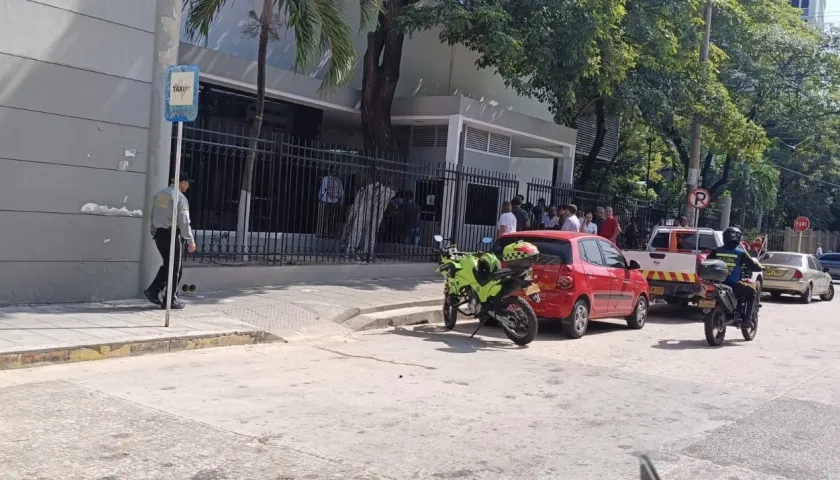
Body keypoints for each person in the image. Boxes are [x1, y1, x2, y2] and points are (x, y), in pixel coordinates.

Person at [144, 172, 196, 310]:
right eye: (187, 182)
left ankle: (153, 290)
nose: (188, 185)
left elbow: (153, 213)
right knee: (175, 269)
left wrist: (153, 230)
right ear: (182, 182)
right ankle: (169, 300)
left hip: (159, 235)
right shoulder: (181, 198)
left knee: (169, 265)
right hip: (172, 235)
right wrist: (190, 240)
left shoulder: (161, 194)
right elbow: (184, 221)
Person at [707, 226, 763, 329]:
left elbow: (707, 262)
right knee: (752, 292)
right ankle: (747, 320)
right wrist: (759, 267)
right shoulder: (741, 253)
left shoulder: (716, 251)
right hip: (733, 285)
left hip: (717, 284)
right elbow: (753, 265)